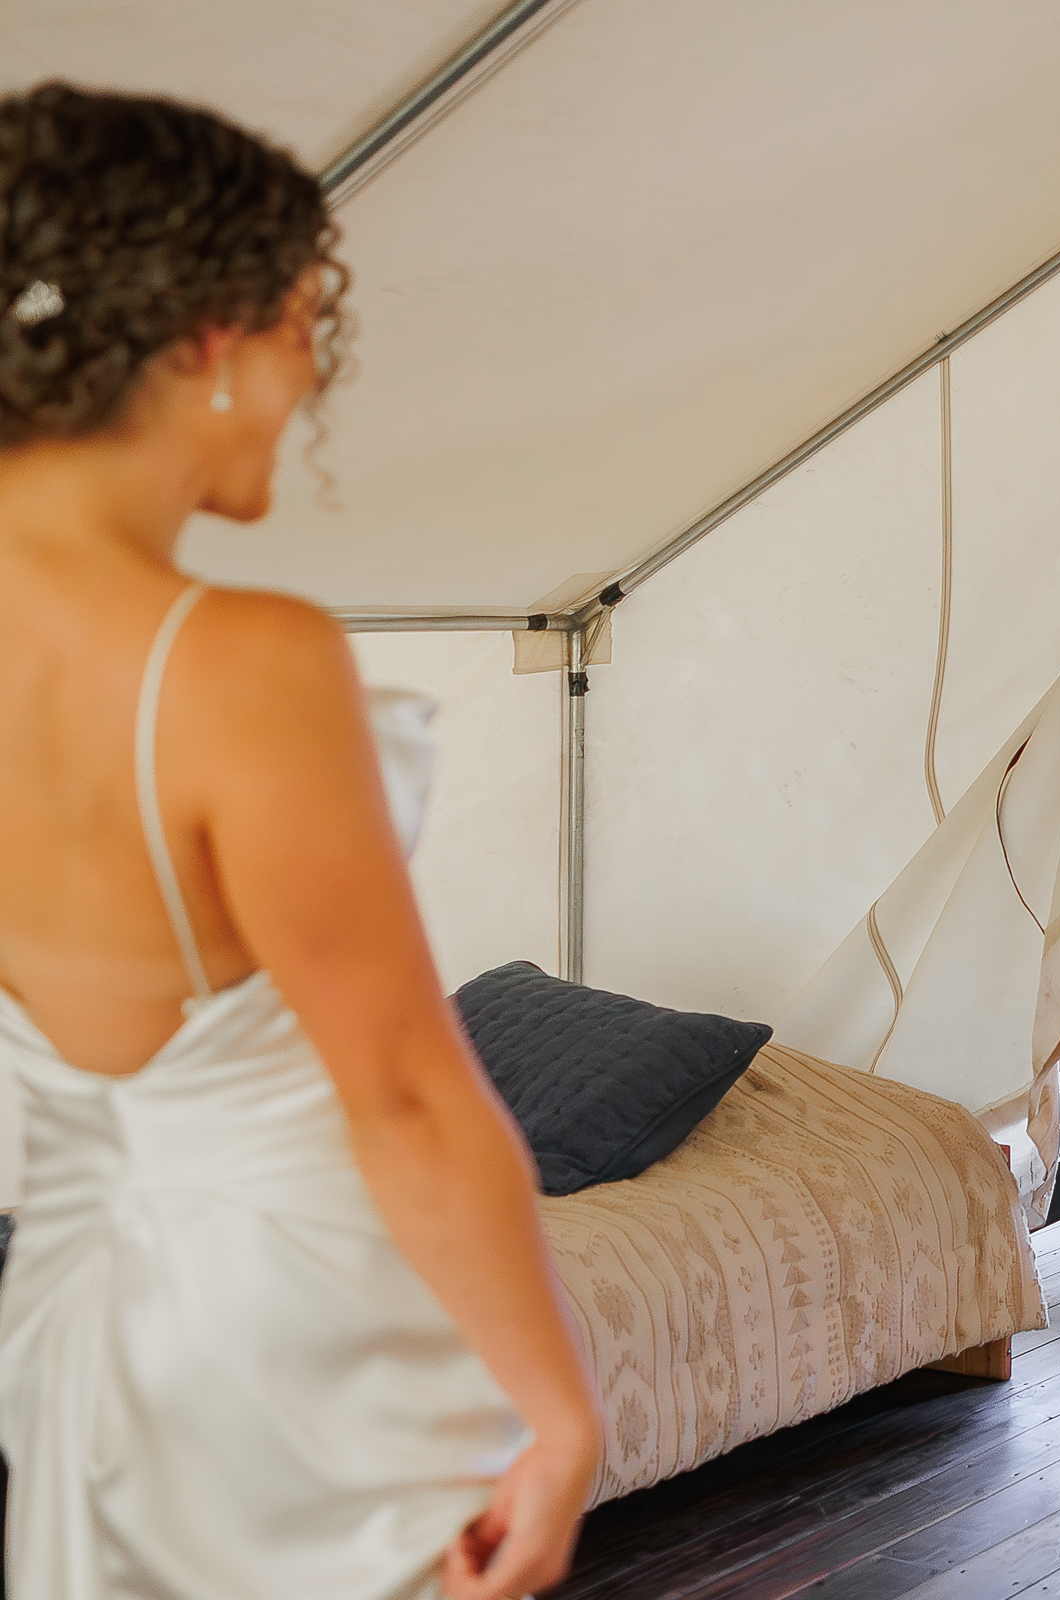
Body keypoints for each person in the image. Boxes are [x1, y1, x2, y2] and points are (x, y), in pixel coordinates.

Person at [0, 86, 599, 1598]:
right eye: (302, 329)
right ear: (206, 337)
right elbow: (403, 1095)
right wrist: (561, 1412)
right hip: (288, 1345)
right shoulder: (230, 662)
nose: (308, 385)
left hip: (71, 1323)